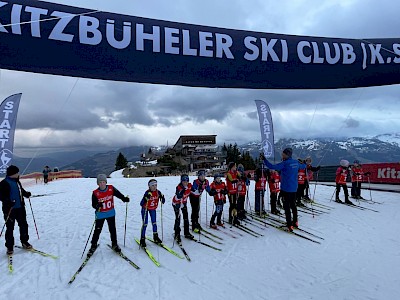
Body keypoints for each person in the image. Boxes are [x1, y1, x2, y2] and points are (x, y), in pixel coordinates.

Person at [261, 148, 305, 232]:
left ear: (286, 154)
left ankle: (289, 225)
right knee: (293, 205)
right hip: (294, 188)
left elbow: (272, 166)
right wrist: (304, 162)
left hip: (286, 189)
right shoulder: (296, 162)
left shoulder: (285, 163)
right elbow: (303, 166)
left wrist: (264, 160)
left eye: (283, 154)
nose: (282, 155)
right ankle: (295, 222)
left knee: (287, 207)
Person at [88, 174, 130, 254]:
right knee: (97, 230)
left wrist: (124, 198)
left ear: (106, 182)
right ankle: (93, 245)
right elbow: (93, 204)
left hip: (110, 213)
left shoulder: (111, 188)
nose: (102, 184)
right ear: (98, 183)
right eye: (100, 182)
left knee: (112, 230)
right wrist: (97, 206)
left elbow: (118, 194)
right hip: (100, 214)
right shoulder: (95, 193)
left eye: (103, 182)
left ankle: (114, 244)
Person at [0, 165, 32, 255]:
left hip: (20, 208)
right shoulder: (4, 183)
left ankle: (25, 241)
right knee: (10, 228)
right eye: (17, 172)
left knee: (23, 225)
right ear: (13, 173)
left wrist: (26, 194)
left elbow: (20, 190)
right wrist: (8, 202)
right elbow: (1, 196)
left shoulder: (17, 181)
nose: (19, 174)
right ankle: (9, 247)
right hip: (9, 210)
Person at [139, 179, 165, 248]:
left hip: (153, 209)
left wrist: (162, 198)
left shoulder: (158, 192)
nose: (154, 187)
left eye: (155, 185)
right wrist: (145, 198)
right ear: (149, 186)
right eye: (152, 185)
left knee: (154, 223)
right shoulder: (147, 192)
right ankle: (142, 239)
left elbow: (162, 199)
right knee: (145, 224)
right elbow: (141, 203)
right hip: (145, 209)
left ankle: (155, 237)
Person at [172, 174, 194, 244]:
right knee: (178, 218)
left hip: (183, 203)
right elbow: (178, 196)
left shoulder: (189, 185)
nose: (185, 182)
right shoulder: (179, 187)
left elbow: (194, 190)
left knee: (186, 218)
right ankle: (177, 234)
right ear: (181, 181)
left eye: (187, 181)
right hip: (176, 204)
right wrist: (181, 192)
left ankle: (186, 233)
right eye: (184, 181)